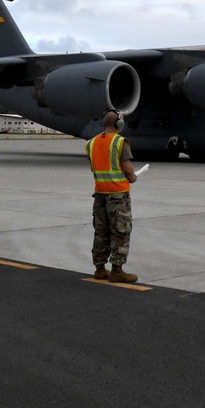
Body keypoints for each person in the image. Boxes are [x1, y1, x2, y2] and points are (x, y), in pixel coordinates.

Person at [86, 109, 139, 282]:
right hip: (117, 195)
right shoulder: (120, 142)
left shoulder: (91, 143)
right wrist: (132, 178)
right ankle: (117, 270)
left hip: (100, 194)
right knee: (120, 232)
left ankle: (100, 269)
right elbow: (127, 168)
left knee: (101, 232)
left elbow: (95, 167)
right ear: (119, 124)